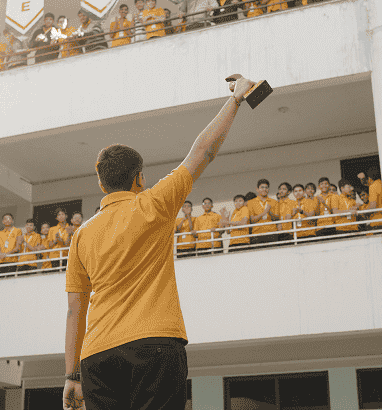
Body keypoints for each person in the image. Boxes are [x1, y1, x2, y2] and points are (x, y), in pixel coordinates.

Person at [63, 75, 257, 410]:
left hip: (97, 356)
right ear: (139, 178)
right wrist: (236, 99)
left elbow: (74, 310)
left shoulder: (80, 235)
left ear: (101, 184)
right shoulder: (156, 203)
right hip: (155, 345)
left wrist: (72, 375)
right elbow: (204, 151)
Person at [247, 179, 279, 248]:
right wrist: (264, 212)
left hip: (272, 232)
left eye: (266, 187)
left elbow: (277, 218)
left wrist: (270, 213)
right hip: (257, 234)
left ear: (268, 189)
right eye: (262, 187)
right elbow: (252, 220)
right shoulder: (250, 202)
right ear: (257, 189)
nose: (264, 189)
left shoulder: (274, 202)